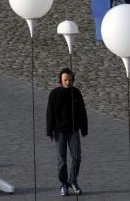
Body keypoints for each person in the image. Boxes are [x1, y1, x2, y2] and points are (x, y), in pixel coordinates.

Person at [46, 67, 88, 197]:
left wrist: (84, 128)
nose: (67, 83)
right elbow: (50, 114)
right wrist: (49, 131)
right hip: (59, 132)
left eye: (70, 80)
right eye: (65, 80)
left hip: (74, 130)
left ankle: (73, 180)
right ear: (61, 80)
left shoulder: (76, 93)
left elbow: (82, 111)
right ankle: (64, 184)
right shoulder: (54, 94)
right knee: (62, 160)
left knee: (77, 157)